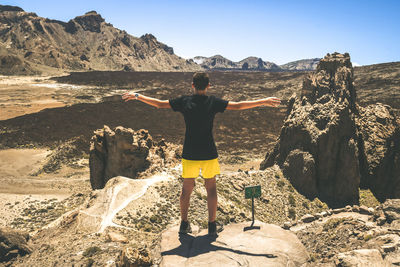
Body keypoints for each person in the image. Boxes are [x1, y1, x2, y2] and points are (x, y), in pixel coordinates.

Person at [122, 72, 280, 236]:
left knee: (186, 190)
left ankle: (184, 225)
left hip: (190, 153)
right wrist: (264, 101)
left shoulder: (185, 101)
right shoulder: (213, 102)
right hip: (209, 153)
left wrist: (137, 96)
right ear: (208, 85)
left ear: (192, 85)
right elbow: (238, 106)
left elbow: (159, 104)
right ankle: (212, 226)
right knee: (211, 189)